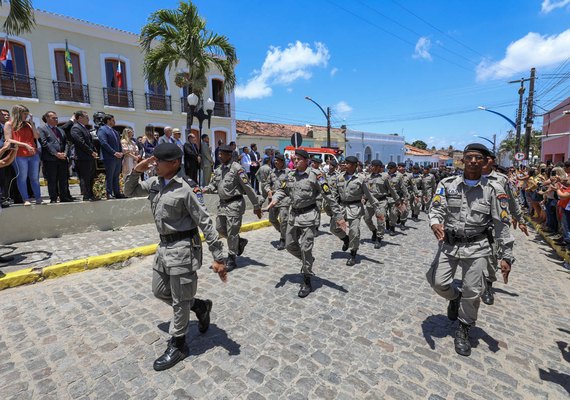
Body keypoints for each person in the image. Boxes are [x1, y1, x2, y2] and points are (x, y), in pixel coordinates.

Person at [124, 143, 227, 371]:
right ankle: (199, 306)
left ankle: (179, 345)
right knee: (159, 290)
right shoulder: (154, 183)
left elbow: (205, 221)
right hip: (163, 248)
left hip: (183, 249)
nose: (155, 164)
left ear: (174, 163)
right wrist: (137, 170)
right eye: (154, 161)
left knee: (180, 301)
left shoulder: (187, 188)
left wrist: (219, 257)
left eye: (158, 161)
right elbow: (128, 191)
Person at [426, 143, 514, 357]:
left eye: (478, 158)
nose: (473, 161)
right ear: (462, 160)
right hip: (449, 244)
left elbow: (502, 224)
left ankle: (464, 328)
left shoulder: (494, 189)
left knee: (473, 291)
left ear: (484, 162)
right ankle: (454, 298)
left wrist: (507, 256)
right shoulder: (446, 184)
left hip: (477, 247)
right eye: (469, 157)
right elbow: (436, 207)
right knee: (438, 282)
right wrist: (435, 222)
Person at [267, 149, 346, 297]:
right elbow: (282, 190)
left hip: (309, 215)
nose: (295, 161)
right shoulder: (290, 175)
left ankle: (307, 279)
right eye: (294, 159)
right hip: (294, 215)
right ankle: (307, 259)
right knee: (290, 245)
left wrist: (339, 216)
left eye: (298, 159)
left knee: (305, 247)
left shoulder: (317, 175)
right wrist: (275, 199)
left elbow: (328, 196)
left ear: (306, 160)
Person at [202, 145, 262, 271]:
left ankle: (232, 258)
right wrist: (203, 189)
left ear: (229, 155)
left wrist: (256, 205)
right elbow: (213, 185)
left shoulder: (237, 169)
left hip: (235, 204)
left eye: (222, 154)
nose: (219, 156)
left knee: (232, 232)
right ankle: (239, 243)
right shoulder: (219, 169)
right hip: (223, 204)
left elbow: (248, 188)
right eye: (219, 154)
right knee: (220, 228)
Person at [329, 156, 383, 266]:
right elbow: (334, 194)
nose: (345, 165)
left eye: (347, 163)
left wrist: (378, 208)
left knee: (354, 232)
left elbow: (369, 195)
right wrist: (333, 208)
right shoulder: (339, 177)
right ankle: (346, 239)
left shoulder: (361, 178)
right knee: (333, 228)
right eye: (345, 163)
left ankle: (353, 254)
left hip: (355, 208)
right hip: (342, 207)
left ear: (354, 165)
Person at [3, 104, 43, 205]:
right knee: (22, 177)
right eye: (24, 114)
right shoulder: (9, 124)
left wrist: (32, 123)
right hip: (18, 155)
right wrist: (25, 144)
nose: (26, 115)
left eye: (27, 114)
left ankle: (38, 198)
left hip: (33, 154)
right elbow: (8, 139)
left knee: (34, 178)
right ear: (18, 113)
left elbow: (36, 136)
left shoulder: (28, 124)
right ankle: (26, 199)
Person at [363, 160, 399, 249]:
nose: (370, 167)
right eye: (371, 166)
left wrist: (397, 200)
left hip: (381, 201)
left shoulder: (385, 177)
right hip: (371, 201)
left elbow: (392, 189)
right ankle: (374, 231)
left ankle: (379, 238)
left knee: (380, 220)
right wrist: (363, 197)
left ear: (378, 167)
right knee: (366, 218)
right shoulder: (367, 177)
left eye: (372, 166)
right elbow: (366, 189)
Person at [39, 111, 73, 203]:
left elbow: (66, 143)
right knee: (52, 179)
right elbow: (44, 143)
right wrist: (56, 153)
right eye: (53, 118)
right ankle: (53, 198)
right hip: (50, 159)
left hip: (62, 158)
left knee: (63, 179)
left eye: (56, 118)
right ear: (47, 118)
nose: (56, 119)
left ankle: (64, 197)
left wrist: (65, 153)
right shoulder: (42, 129)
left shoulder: (60, 130)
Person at [70, 110, 98, 201]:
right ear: (80, 118)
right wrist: (91, 152)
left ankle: (91, 194)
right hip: (83, 157)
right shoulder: (76, 128)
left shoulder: (84, 128)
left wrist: (94, 151)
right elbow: (80, 142)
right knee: (85, 177)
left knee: (90, 177)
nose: (88, 119)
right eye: (86, 117)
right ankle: (86, 195)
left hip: (89, 157)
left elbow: (90, 141)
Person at [265, 154, 290, 250]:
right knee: (272, 219)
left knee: (284, 220)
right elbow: (267, 184)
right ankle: (285, 233)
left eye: (277, 160)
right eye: (274, 161)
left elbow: (288, 186)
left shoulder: (288, 173)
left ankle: (283, 239)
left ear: (282, 161)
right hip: (273, 199)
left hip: (284, 199)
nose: (275, 162)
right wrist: (268, 190)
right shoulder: (272, 172)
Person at [97, 114, 124, 199]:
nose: (114, 121)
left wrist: (120, 152)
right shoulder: (102, 130)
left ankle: (117, 193)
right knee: (110, 175)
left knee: (116, 176)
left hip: (117, 157)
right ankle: (109, 193)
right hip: (109, 157)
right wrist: (114, 152)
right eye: (113, 120)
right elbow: (104, 143)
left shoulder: (115, 131)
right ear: (108, 121)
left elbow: (119, 144)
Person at [386, 162, 409, 235]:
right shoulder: (384, 175)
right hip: (385, 197)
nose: (389, 170)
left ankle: (392, 227)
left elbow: (403, 187)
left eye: (391, 168)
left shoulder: (399, 176)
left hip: (395, 198)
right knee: (383, 213)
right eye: (389, 168)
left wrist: (406, 197)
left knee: (393, 213)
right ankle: (387, 221)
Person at [0, 108, 13, 208]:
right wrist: (4, 147)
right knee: (2, 176)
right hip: (2, 151)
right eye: (3, 115)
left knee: (9, 176)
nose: (6, 116)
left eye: (7, 115)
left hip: (10, 152)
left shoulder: (10, 126)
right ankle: (3, 198)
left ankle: (7, 196)